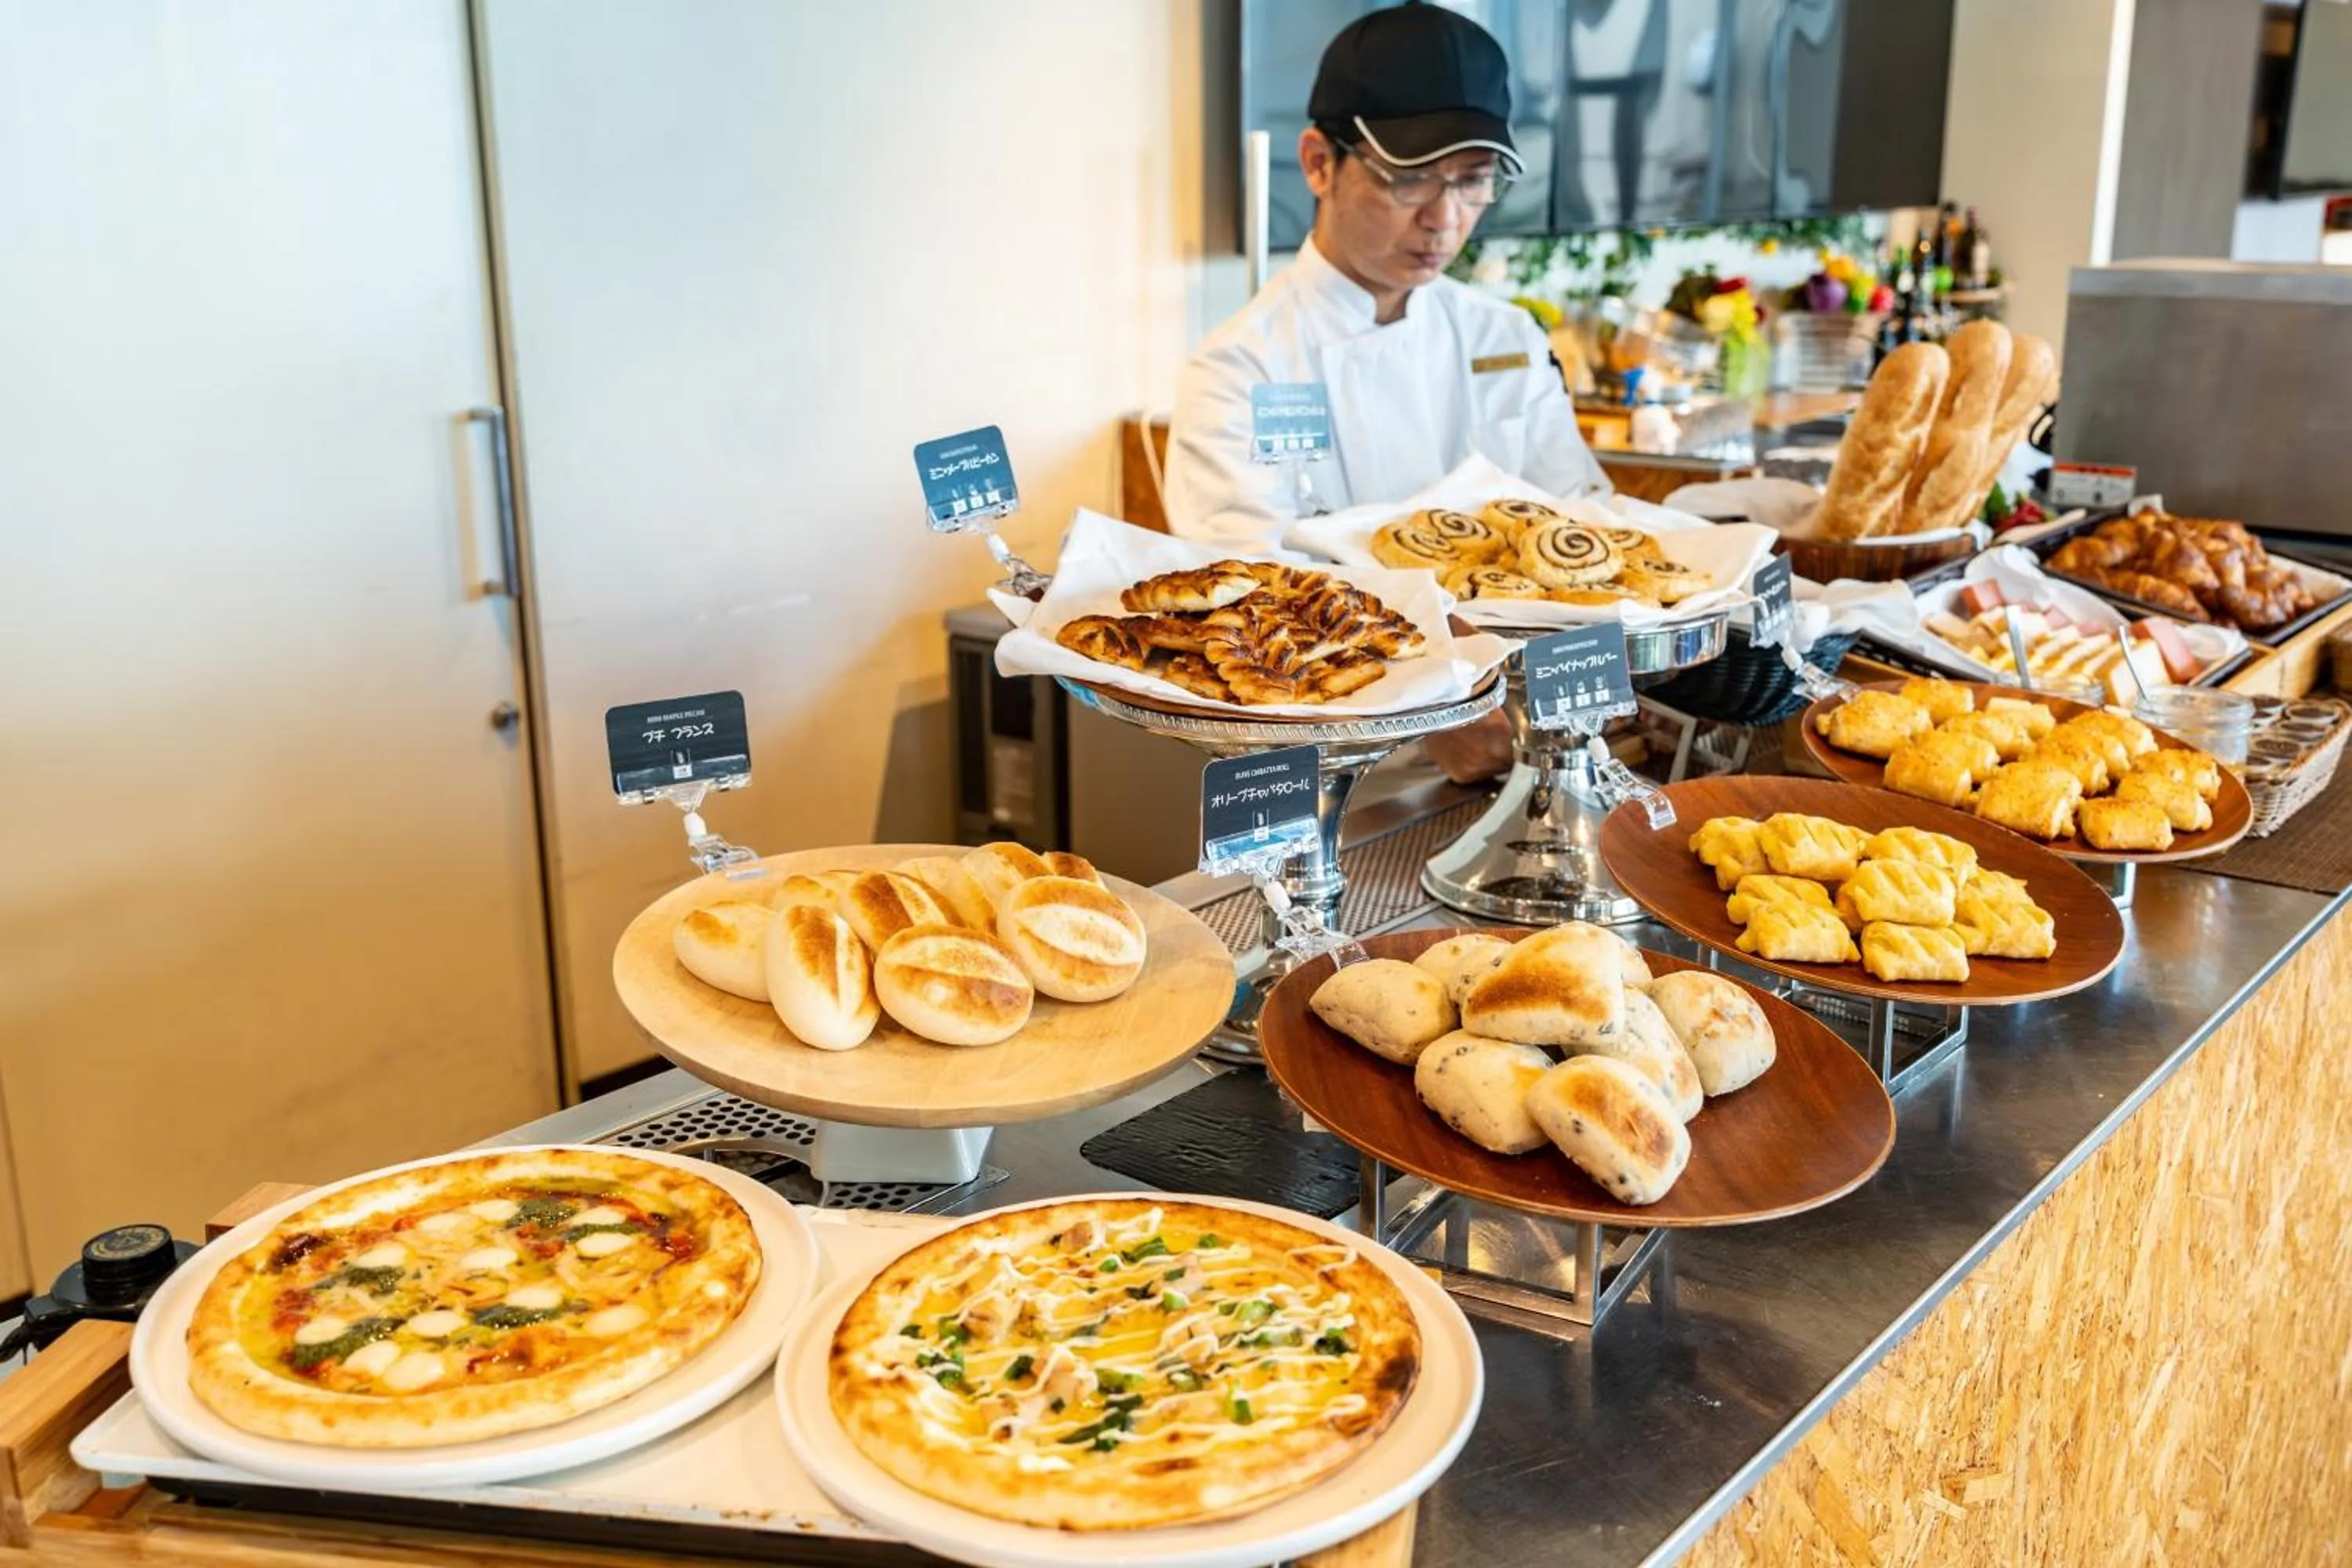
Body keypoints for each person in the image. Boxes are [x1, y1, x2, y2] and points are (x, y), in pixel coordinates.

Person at [1161, 2, 1607, 561]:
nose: (1445, 219)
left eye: (1473, 181)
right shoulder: (1242, 369)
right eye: (1411, 178)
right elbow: (1250, 584)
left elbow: (1580, 515)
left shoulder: (1506, 338)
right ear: (1319, 163)